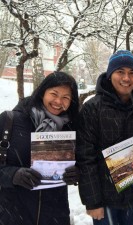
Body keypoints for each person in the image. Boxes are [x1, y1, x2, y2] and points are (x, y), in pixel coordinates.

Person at [75, 50, 133, 225]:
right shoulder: (93, 108)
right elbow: (85, 157)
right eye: (120, 71)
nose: (126, 78)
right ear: (110, 73)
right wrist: (93, 201)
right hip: (103, 198)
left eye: (132, 73)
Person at [0, 71, 80, 225]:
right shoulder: (9, 121)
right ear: (42, 92)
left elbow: (83, 161)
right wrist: (13, 175)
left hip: (55, 216)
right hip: (13, 215)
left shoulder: (70, 128)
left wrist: (77, 172)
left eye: (66, 97)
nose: (58, 101)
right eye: (54, 94)